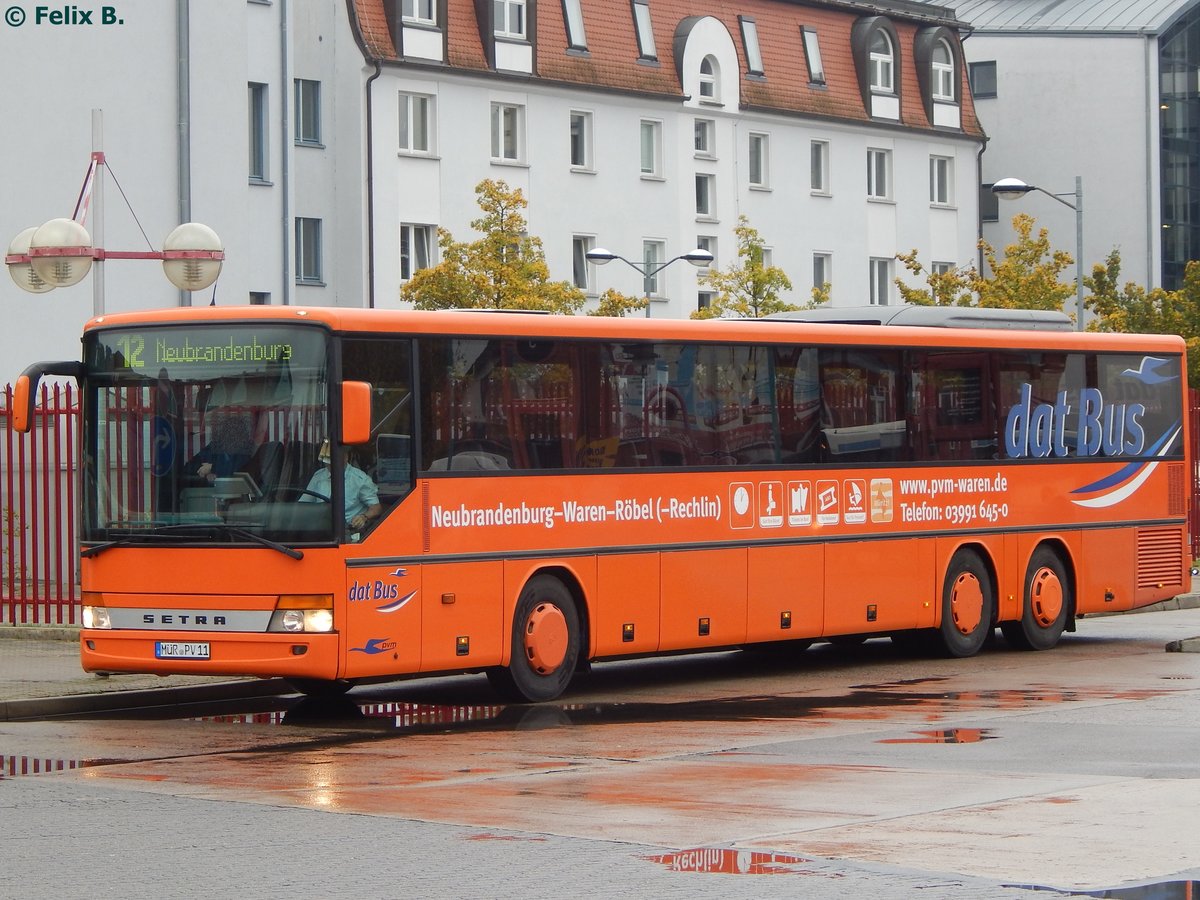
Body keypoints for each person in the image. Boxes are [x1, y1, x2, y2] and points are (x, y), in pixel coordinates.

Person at [303, 440, 382, 532]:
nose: (329, 464)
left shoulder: (360, 480)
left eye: (332, 459)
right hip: (320, 530)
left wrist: (363, 517)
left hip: (348, 531)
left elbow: (376, 508)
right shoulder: (318, 476)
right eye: (327, 459)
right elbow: (304, 504)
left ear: (345, 457)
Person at [185, 411, 254, 483]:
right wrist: (206, 473)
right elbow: (189, 468)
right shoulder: (213, 449)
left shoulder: (245, 455)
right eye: (229, 433)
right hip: (214, 492)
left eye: (238, 434)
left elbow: (250, 478)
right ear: (223, 434)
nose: (233, 438)